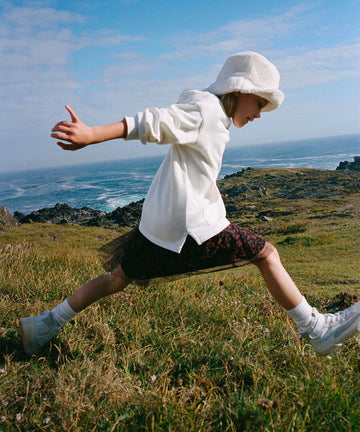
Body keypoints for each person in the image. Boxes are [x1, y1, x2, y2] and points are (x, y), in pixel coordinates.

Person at [20, 51, 360, 357]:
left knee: (117, 279)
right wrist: (92, 134)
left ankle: (44, 324)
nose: (260, 114)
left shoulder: (213, 115)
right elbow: (155, 121)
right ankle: (316, 330)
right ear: (241, 91)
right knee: (266, 253)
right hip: (187, 227)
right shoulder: (205, 111)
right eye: (260, 103)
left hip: (158, 227)